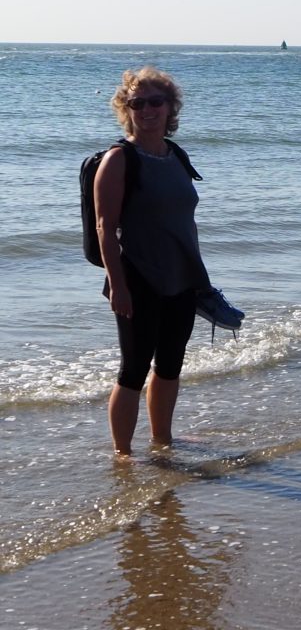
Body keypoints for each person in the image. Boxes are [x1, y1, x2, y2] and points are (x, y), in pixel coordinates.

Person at [94, 67, 239, 457]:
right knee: (133, 369)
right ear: (126, 109)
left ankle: (163, 440)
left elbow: (181, 220)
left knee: (171, 363)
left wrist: (200, 279)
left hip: (182, 277)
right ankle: (123, 456)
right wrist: (118, 286)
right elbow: (105, 227)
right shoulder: (118, 159)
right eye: (137, 103)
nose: (146, 110)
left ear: (170, 107)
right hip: (137, 279)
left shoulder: (176, 156)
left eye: (155, 102)